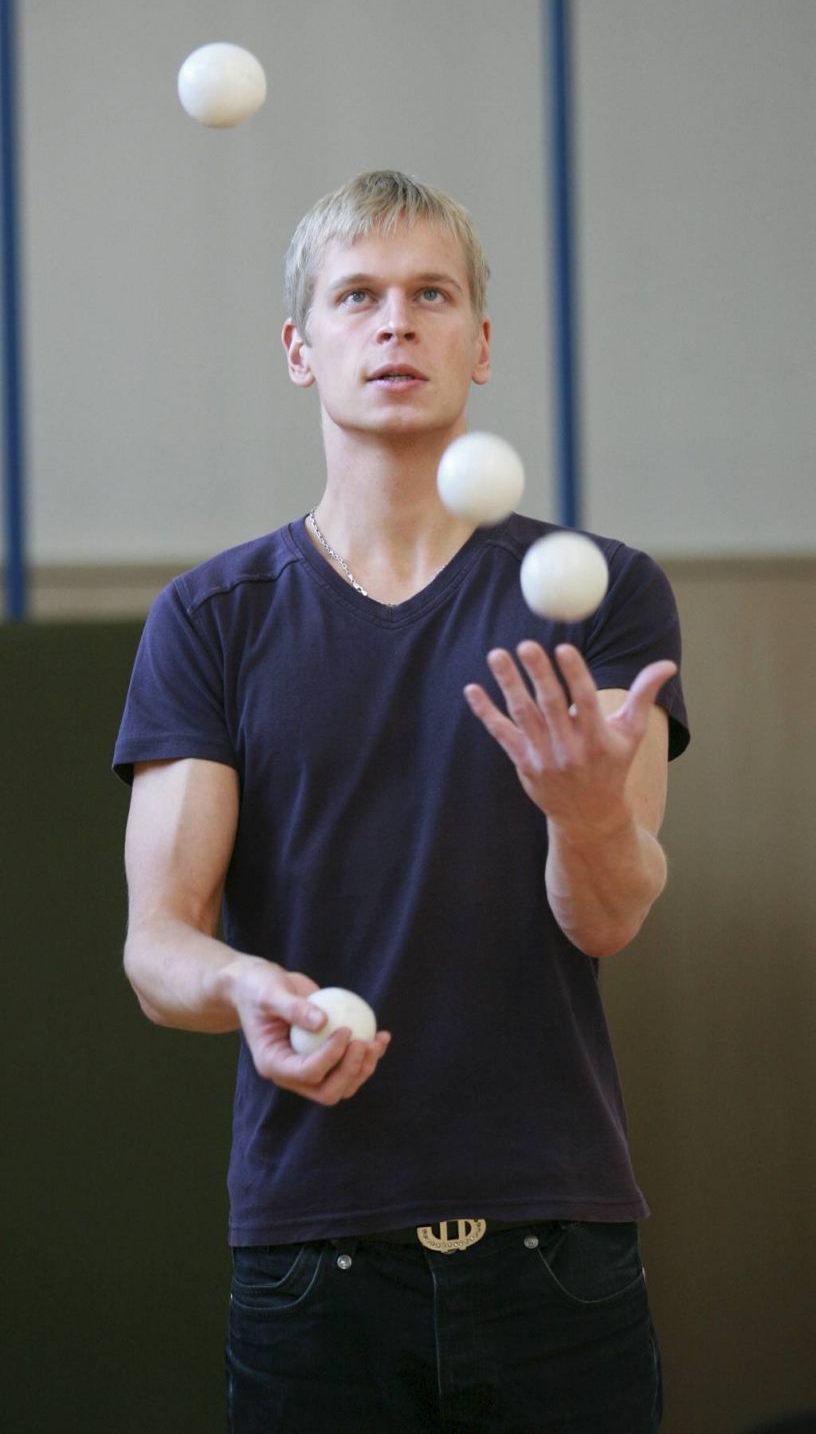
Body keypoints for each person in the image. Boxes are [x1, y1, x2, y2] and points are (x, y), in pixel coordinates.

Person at [114, 169, 689, 1432]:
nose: (395, 324)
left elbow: (609, 918)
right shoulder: (210, 620)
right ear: (299, 349)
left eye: (432, 295)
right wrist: (245, 988)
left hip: (557, 1251)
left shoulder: (597, 595)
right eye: (358, 297)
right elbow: (159, 947)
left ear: (479, 344)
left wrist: (584, 810)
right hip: (312, 1262)